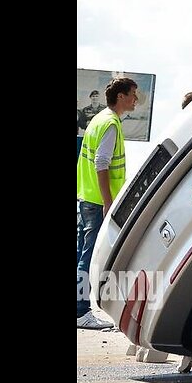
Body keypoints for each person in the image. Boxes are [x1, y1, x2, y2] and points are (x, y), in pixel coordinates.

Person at [76, 76, 139, 329]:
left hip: (86, 196)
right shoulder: (111, 123)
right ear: (121, 96)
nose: (136, 99)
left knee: (82, 252)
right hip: (97, 200)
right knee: (89, 256)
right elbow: (102, 163)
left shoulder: (98, 120)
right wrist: (108, 202)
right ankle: (81, 312)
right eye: (133, 94)